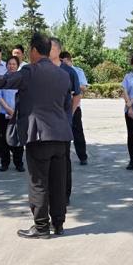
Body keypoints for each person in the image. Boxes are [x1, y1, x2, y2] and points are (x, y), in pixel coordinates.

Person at [0, 32, 73, 239]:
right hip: (61, 136)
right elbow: (66, 106)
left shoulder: (29, 71)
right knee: (58, 181)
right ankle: (59, 224)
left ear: (34, 50)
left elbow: (3, 80)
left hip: (38, 135)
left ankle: (41, 227)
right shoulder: (63, 74)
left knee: (38, 182)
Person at [50, 38, 82, 203]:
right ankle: (49, 194)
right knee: (47, 161)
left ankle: (64, 195)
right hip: (45, 124)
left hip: (63, 123)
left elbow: (77, 94)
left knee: (63, 160)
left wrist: (70, 114)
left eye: (50, 47)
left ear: (57, 50)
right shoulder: (40, 69)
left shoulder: (69, 71)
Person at [59, 51, 89, 166]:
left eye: (63, 61)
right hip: (61, 107)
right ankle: (63, 157)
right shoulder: (58, 70)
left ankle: (82, 156)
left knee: (78, 132)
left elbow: (84, 87)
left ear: (68, 60)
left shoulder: (77, 71)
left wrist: (73, 85)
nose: (62, 63)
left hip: (75, 106)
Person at [0, 56, 25, 172]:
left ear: (17, 66)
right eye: (9, 64)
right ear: (6, 65)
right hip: (4, 113)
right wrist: (8, 109)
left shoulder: (22, 79)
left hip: (18, 114)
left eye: (14, 64)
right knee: (4, 139)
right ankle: (5, 163)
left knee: (19, 139)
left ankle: (19, 163)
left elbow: (24, 96)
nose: (11, 66)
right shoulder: (2, 79)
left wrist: (15, 112)